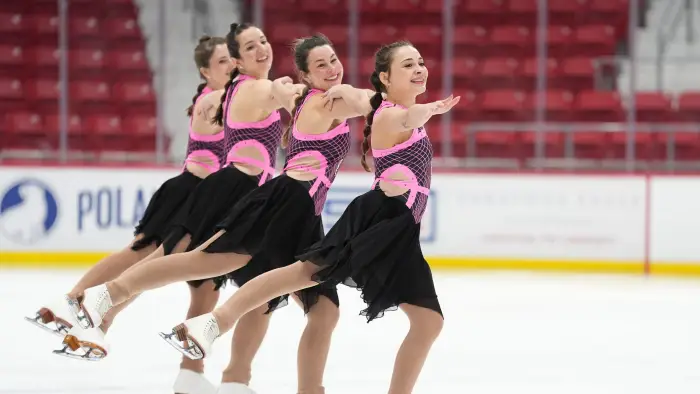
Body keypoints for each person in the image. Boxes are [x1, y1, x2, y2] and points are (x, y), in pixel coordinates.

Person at [61, 33, 371, 394]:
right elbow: (363, 102)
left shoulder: (301, 96)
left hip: (300, 207)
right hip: (277, 197)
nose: (332, 68)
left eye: (333, 59)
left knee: (316, 307)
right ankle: (105, 297)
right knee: (200, 262)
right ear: (305, 74)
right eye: (321, 64)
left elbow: (331, 100)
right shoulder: (318, 99)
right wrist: (384, 95)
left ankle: (235, 374)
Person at [158, 41, 460, 394]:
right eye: (408, 65)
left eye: (420, 62)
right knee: (303, 273)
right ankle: (213, 323)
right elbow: (408, 117)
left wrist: (418, 109)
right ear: (385, 78)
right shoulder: (392, 113)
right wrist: (428, 110)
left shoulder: (392, 108)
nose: (419, 68)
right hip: (381, 217)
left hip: (401, 226)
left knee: (426, 322)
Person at [25, 35, 233, 391]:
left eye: (232, 60)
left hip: (211, 199)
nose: (231, 67)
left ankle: (190, 372)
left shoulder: (233, 97)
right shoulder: (212, 100)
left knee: (205, 287)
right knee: (144, 261)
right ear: (205, 71)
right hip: (189, 193)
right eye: (222, 62)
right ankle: (77, 306)